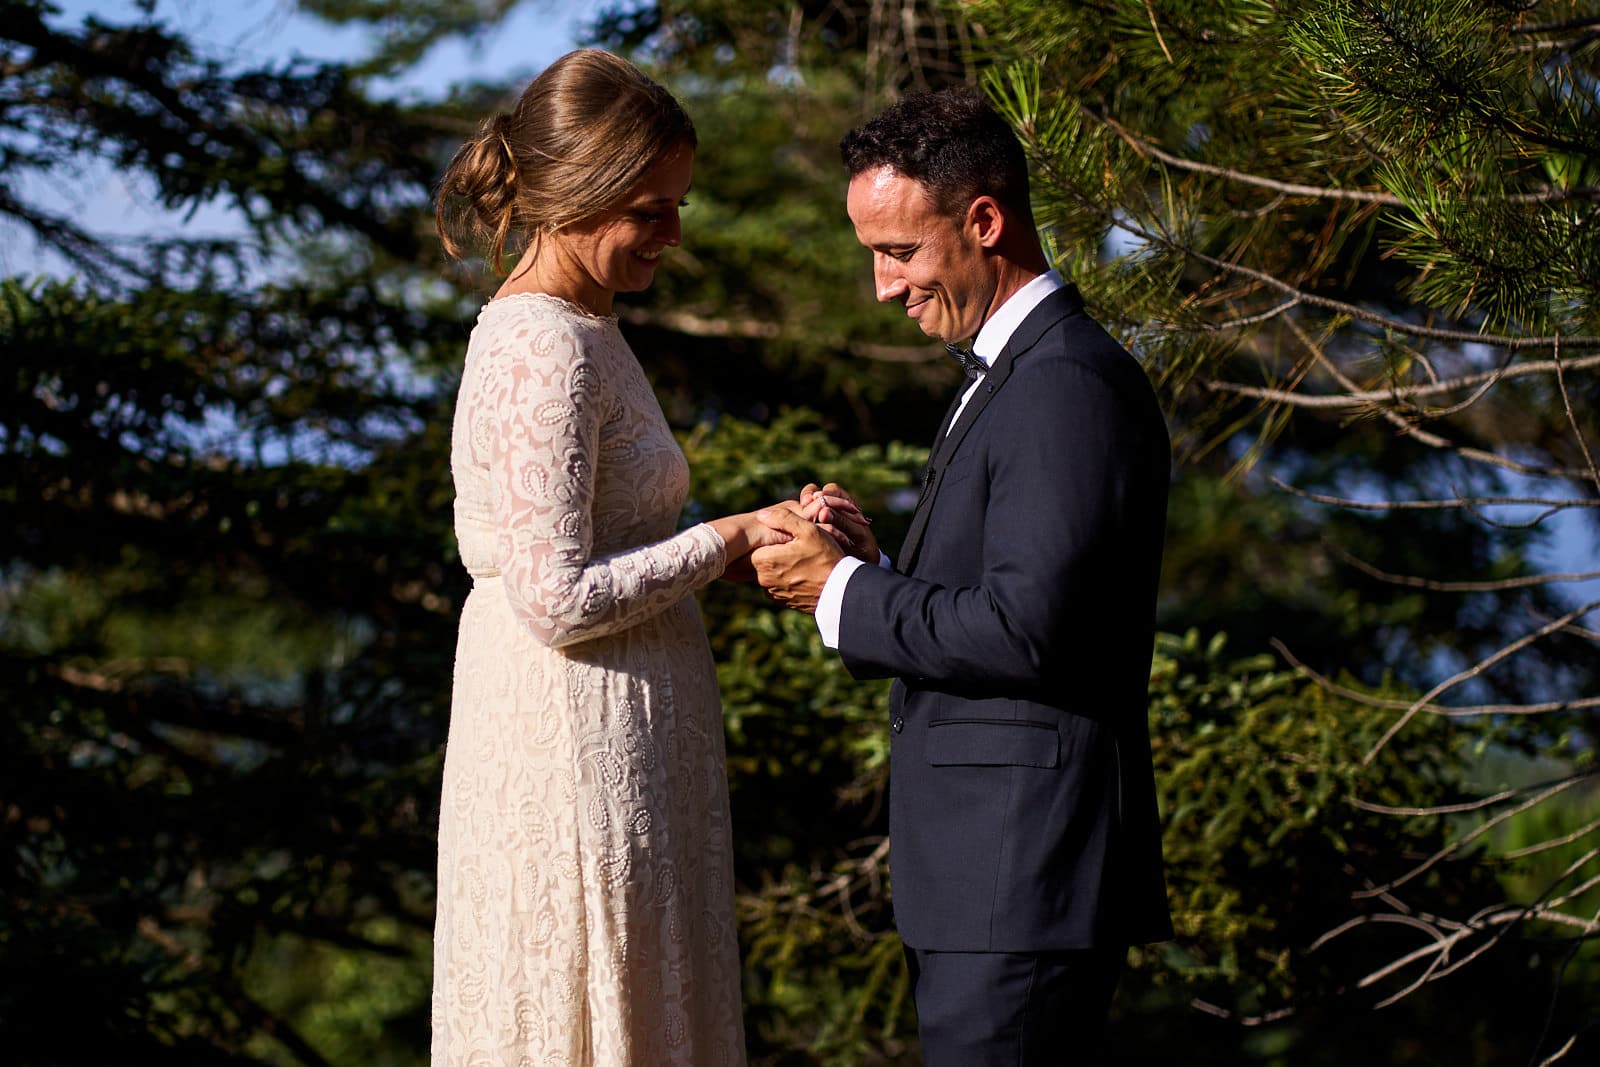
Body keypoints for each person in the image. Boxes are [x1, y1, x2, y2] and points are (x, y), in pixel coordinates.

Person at [750, 87, 1173, 1065]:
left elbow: (1029, 629)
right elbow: (1016, 600)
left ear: (983, 220)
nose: (881, 287)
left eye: (897, 251)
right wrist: (871, 567)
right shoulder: (1017, 374)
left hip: (1021, 876)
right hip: (994, 880)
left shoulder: (1059, 383)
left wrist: (843, 594)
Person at [430, 48, 781, 1066]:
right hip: (569, 740)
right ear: (578, 196)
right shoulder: (545, 341)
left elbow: (611, 537)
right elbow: (555, 598)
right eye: (649, 207)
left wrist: (747, 538)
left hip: (619, 735)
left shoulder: (588, 327)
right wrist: (725, 537)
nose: (673, 233)